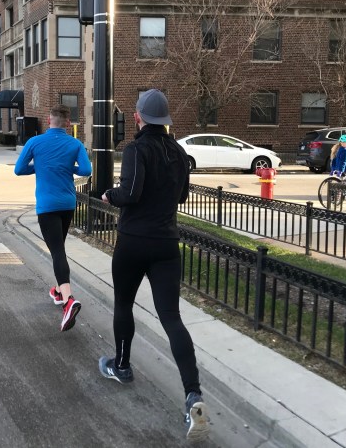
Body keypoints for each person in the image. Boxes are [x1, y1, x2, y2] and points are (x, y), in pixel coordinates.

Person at [99, 89, 209, 441]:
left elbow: (129, 194)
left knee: (123, 305)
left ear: (138, 117)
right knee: (172, 318)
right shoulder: (179, 152)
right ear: (167, 121)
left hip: (133, 242)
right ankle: (193, 394)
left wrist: (108, 195)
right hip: (166, 244)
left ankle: (122, 365)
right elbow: (181, 196)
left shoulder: (135, 150)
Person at [14, 105, 92, 331]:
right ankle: (58, 291)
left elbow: (19, 170)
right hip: (68, 204)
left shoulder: (35, 142)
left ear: (49, 120)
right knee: (59, 248)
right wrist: (67, 165)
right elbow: (86, 170)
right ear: (68, 123)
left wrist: (40, 166)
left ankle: (68, 300)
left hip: (47, 206)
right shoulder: (75, 144)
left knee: (57, 251)